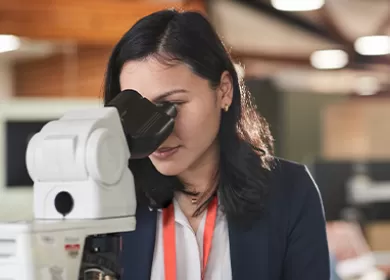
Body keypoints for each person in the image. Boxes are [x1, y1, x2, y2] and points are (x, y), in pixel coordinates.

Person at [103, 9, 330, 280]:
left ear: (224, 90)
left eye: (171, 105)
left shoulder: (291, 192)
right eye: (139, 111)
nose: (156, 134)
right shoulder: (109, 201)